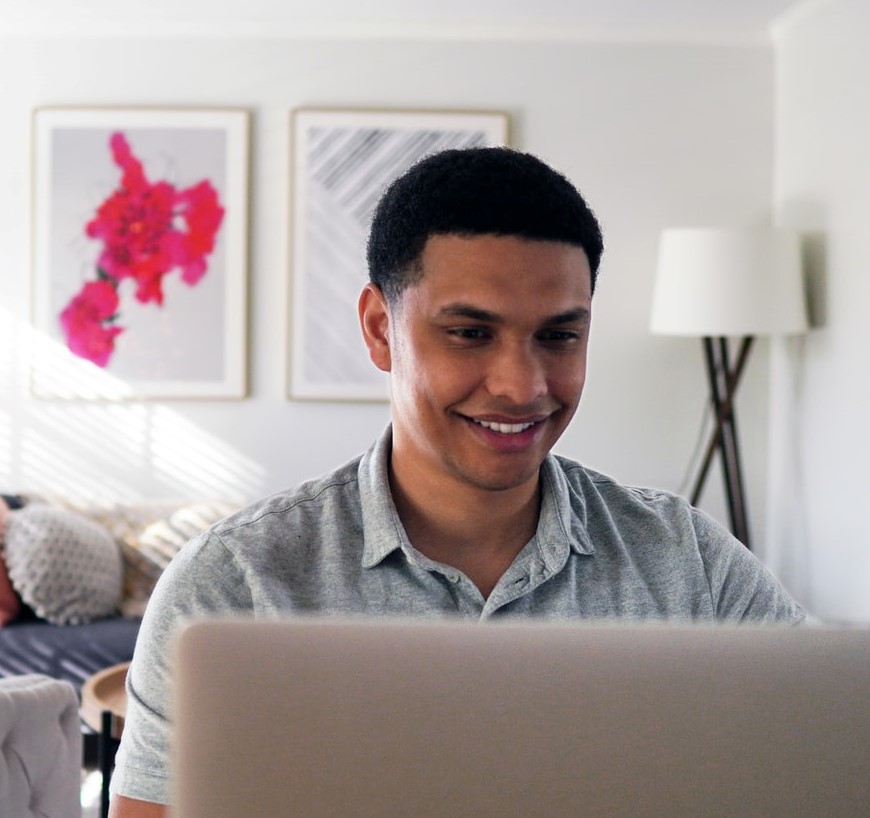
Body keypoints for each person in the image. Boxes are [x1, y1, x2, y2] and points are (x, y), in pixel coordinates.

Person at [109, 147, 805, 817]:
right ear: (381, 329)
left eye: (559, 337)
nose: (522, 386)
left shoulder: (688, 564)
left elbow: (823, 753)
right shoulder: (233, 585)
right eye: (471, 334)